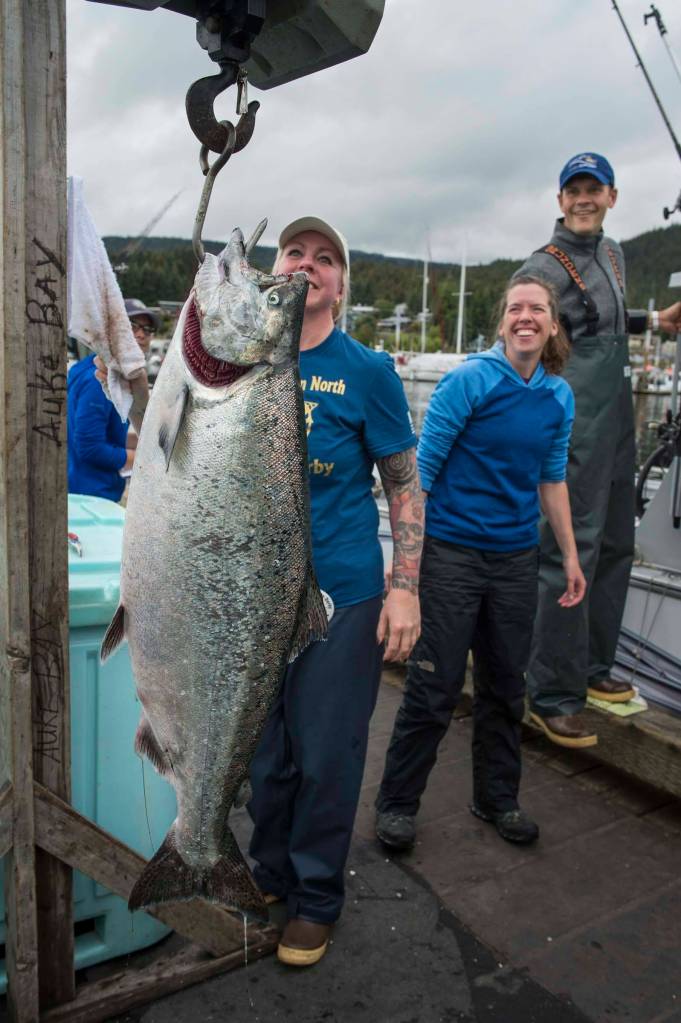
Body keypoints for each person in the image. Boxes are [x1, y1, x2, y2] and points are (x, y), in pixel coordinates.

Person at [247, 216, 423, 967]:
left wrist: (404, 586)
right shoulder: (247, 360)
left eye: (326, 258)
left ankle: (316, 896)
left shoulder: (367, 370)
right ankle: (268, 871)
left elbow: (404, 486)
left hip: (343, 591)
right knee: (263, 754)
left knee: (325, 752)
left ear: (341, 285)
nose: (309, 264)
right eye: (296, 251)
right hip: (252, 594)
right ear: (274, 269)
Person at [375, 276, 586, 851]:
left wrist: (569, 556)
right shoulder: (469, 381)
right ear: (502, 324)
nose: (526, 317)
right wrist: (406, 575)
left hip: (517, 558)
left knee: (504, 685)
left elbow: (552, 478)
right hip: (452, 553)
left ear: (551, 324)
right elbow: (419, 477)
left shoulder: (557, 397)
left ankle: (497, 798)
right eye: (515, 307)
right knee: (435, 684)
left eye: (537, 309)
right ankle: (395, 803)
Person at [517, 153, 681, 748]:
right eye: (574, 190)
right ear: (560, 201)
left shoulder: (614, 255)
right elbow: (518, 337)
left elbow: (599, 322)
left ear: (612, 196)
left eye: (595, 189)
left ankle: (592, 670)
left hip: (617, 421)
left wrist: (653, 320)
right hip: (571, 425)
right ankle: (549, 694)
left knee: (617, 543)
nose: (584, 199)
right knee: (568, 550)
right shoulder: (541, 267)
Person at [67, 299, 158, 502]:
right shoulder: (100, 380)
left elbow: (99, 432)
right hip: (91, 497)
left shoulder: (82, 367)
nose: (141, 334)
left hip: (78, 489)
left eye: (147, 329)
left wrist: (138, 442)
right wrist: (147, 459)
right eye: (132, 326)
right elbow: (90, 448)